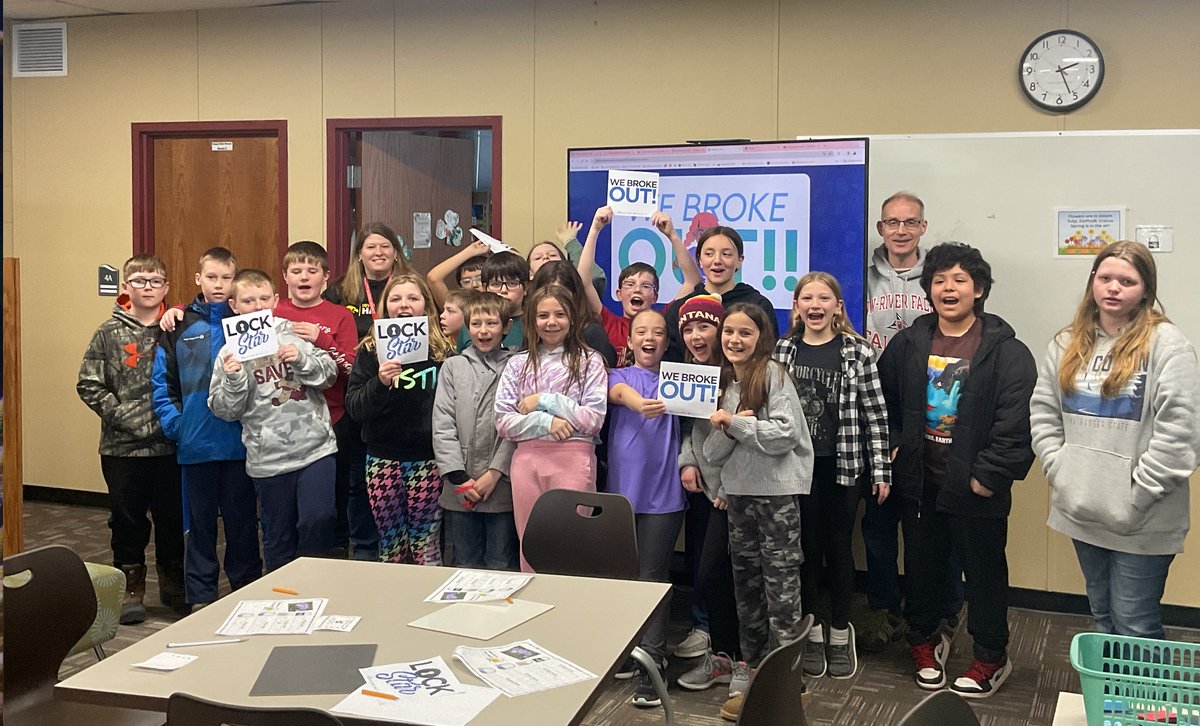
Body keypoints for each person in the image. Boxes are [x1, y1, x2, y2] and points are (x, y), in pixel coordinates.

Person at [878, 242, 1035, 698]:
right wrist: (894, 445)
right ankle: (925, 641)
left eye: (960, 280)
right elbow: (883, 401)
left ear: (979, 289)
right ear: (928, 289)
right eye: (939, 280)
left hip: (976, 487)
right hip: (920, 484)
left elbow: (1016, 422)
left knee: (984, 577)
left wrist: (988, 476)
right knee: (922, 569)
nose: (949, 288)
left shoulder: (1007, 352)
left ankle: (991, 656)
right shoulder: (907, 344)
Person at [1031, 241, 1200, 640]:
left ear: (1145, 289)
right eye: (1105, 278)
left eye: (1127, 281)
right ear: (1092, 281)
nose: (1113, 288)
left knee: (1135, 624)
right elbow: (1043, 412)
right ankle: (1108, 685)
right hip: (1082, 508)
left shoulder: (1168, 345)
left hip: (1144, 518)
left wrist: (1136, 496)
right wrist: (1061, 471)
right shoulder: (1066, 343)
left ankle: (1142, 688)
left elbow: (1181, 434)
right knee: (1103, 616)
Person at [773, 271, 891, 680]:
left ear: (838, 306)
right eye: (807, 298)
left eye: (824, 298)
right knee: (806, 548)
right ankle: (812, 632)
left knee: (839, 548)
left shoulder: (858, 351)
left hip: (843, 466)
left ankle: (840, 632)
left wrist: (882, 470)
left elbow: (875, 414)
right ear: (797, 307)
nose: (816, 305)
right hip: (796, 468)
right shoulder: (784, 350)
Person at [702, 303, 813, 722]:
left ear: (761, 337)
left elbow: (786, 434)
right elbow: (712, 453)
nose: (735, 340)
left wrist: (737, 425)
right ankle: (753, 674)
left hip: (775, 499)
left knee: (781, 591)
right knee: (746, 588)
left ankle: (788, 686)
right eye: (729, 331)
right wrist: (730, 426)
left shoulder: (772, 375)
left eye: (745, 332)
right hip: (738, 498)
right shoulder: (724, 381)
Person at [77, 253, 187, 622]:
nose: (148, 287)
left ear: (166, 287)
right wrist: (124, 415)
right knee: (127, 521)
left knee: (172, 519)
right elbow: (89, 385)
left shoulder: (176, 329)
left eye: (155, 281)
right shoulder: (107, 333)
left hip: (169, 445)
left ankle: (173, 584)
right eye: (139, 281)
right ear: (126, 287)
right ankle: (130, 588)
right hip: (122, 448)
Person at [151, 247, 262, 609]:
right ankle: (201, 596)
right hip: (196, 445)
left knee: (242, 525)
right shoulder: (179, 325)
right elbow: (162, 383)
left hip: (241, 445)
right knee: (199, 528)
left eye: (226, 278)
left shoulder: (249, 323)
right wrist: (177, 426)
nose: (219, 284)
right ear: (198, 278)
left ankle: (246, 589)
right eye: (211, 277)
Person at [208, 269, 339, 572]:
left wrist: (302, 360)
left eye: (264, 299)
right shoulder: (228, 353)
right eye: (248, 300)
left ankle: (316, 580)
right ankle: (281, 591)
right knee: (278, 537)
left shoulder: (295, 333)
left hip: (315, 449)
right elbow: (224, 410)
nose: (257, 306)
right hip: (267, 459)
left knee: (319, 519)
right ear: (234, 305)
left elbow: (330, 375)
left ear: (276, 300)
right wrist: (234, 379)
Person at [859, 191, 943, 654]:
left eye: (910, 222)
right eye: (892, 222)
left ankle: (933, 612)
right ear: (881, 229)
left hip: (926, 406)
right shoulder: (861, 274)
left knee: (925, 522)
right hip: (870, 404)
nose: (901, 231)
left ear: (923, 227)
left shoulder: (939, 277)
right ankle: (884, 609)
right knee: (878, 519)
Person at [494, 284, 608, 572]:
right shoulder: (517, 364)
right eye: (543, 315)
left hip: (574, 459)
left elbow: (592, 420)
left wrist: (544, 400)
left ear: (572, 317)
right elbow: (503, 421)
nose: (551, 322)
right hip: (526, 463)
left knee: (572, 549)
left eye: (559, 314)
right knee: (532, 547)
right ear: (532, 320)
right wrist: (545, 421)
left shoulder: (590, 361)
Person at [345, 273, 457, 565]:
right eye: (396, 299)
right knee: (391, 546)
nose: (404, 304)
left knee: (425, 546)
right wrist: (380, 382)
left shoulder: (444, 352)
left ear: (426, 305)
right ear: (385, 306)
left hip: (429, 460)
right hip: (382, 460)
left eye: (412, 298)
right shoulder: (370, 351)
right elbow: (355, 407)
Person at [605, 309, 687, 708]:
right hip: (620, 496)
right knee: (622, 578)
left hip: (664, 495)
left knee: (651, 578)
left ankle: (653, 665)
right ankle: (627, 650)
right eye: (641, 331)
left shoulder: (681, 380)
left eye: (657, 332)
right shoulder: (616, 376)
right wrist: (640, 403)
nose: (649, 338)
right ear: (630, 339)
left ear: (667, 341)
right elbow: (618, 394)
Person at [324, 222, 412, 561]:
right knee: (355, 478)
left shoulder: (408, 287)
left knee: (393, 477)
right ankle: (358, 545)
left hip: (402, 396)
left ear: (396, 252)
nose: (378, 252)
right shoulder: (340, 291)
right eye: (371, 246)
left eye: (385, 246)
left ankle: (395, 546)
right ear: (359, 254)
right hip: (354, 395)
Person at [272, 241, 358, 558]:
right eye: (297, 271)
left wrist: (322, 339)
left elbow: (351, 369)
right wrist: (178, 310)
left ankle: (332, 557)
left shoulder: (340, 316)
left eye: (312, 270)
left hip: (333, 419)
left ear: (326, 276)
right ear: (285, 276)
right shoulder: (272, 312)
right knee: (285, 507)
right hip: (284, 422)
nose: (304, 277)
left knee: (330, 503)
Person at [673, 295, 741, 695]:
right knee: (710, 574)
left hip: (736, 492)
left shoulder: (739, 374)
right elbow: (687, 429)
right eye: (688, 329)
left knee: (738, 579)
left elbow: (745, 436)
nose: (696, 336)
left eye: (705, 327)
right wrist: (687, 462)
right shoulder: (688, 374)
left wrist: (729, 488)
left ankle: (747, 663)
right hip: (707, 490)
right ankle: (723, 656)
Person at [433, 291, 520, 571]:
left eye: (492, 323)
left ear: (506, 326)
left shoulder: (517, 366)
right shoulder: (453, 366)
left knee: (501, 562)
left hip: (501, 484)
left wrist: (495, 472)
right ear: (467, 326)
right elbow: (442, 423)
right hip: (461, 486)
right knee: (464, 562)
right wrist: (459, 477)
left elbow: (516, 425)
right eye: (476, 323)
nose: (484, 331)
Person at [575, 206, 702, 366]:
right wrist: (595, 229)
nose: (637, 289)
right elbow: (583, 282)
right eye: (630, 284)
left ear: (655, 297)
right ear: (619, 294)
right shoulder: (608, 322)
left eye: (646, 286)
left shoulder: (663, 321)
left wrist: (672, 235)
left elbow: (693, 282)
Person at [664, 226, 777, 362]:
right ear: (699, 260)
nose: (717, 261)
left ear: (739, 260)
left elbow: (767, 355)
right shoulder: (680, 308)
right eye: (709, 254)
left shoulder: (758, 306)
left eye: (726, 254)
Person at [529, 260, 617, 367]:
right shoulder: (533, 331)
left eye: (560, 294)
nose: (552, 299)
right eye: (546, 292)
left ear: (575, 295)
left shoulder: (592, 333)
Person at [427, 238, 489, 308]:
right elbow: (433, 278)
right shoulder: (456, 308)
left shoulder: (498, 304)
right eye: (466, 281)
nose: (474, 285)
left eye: (480, 279)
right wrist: (470, 251)